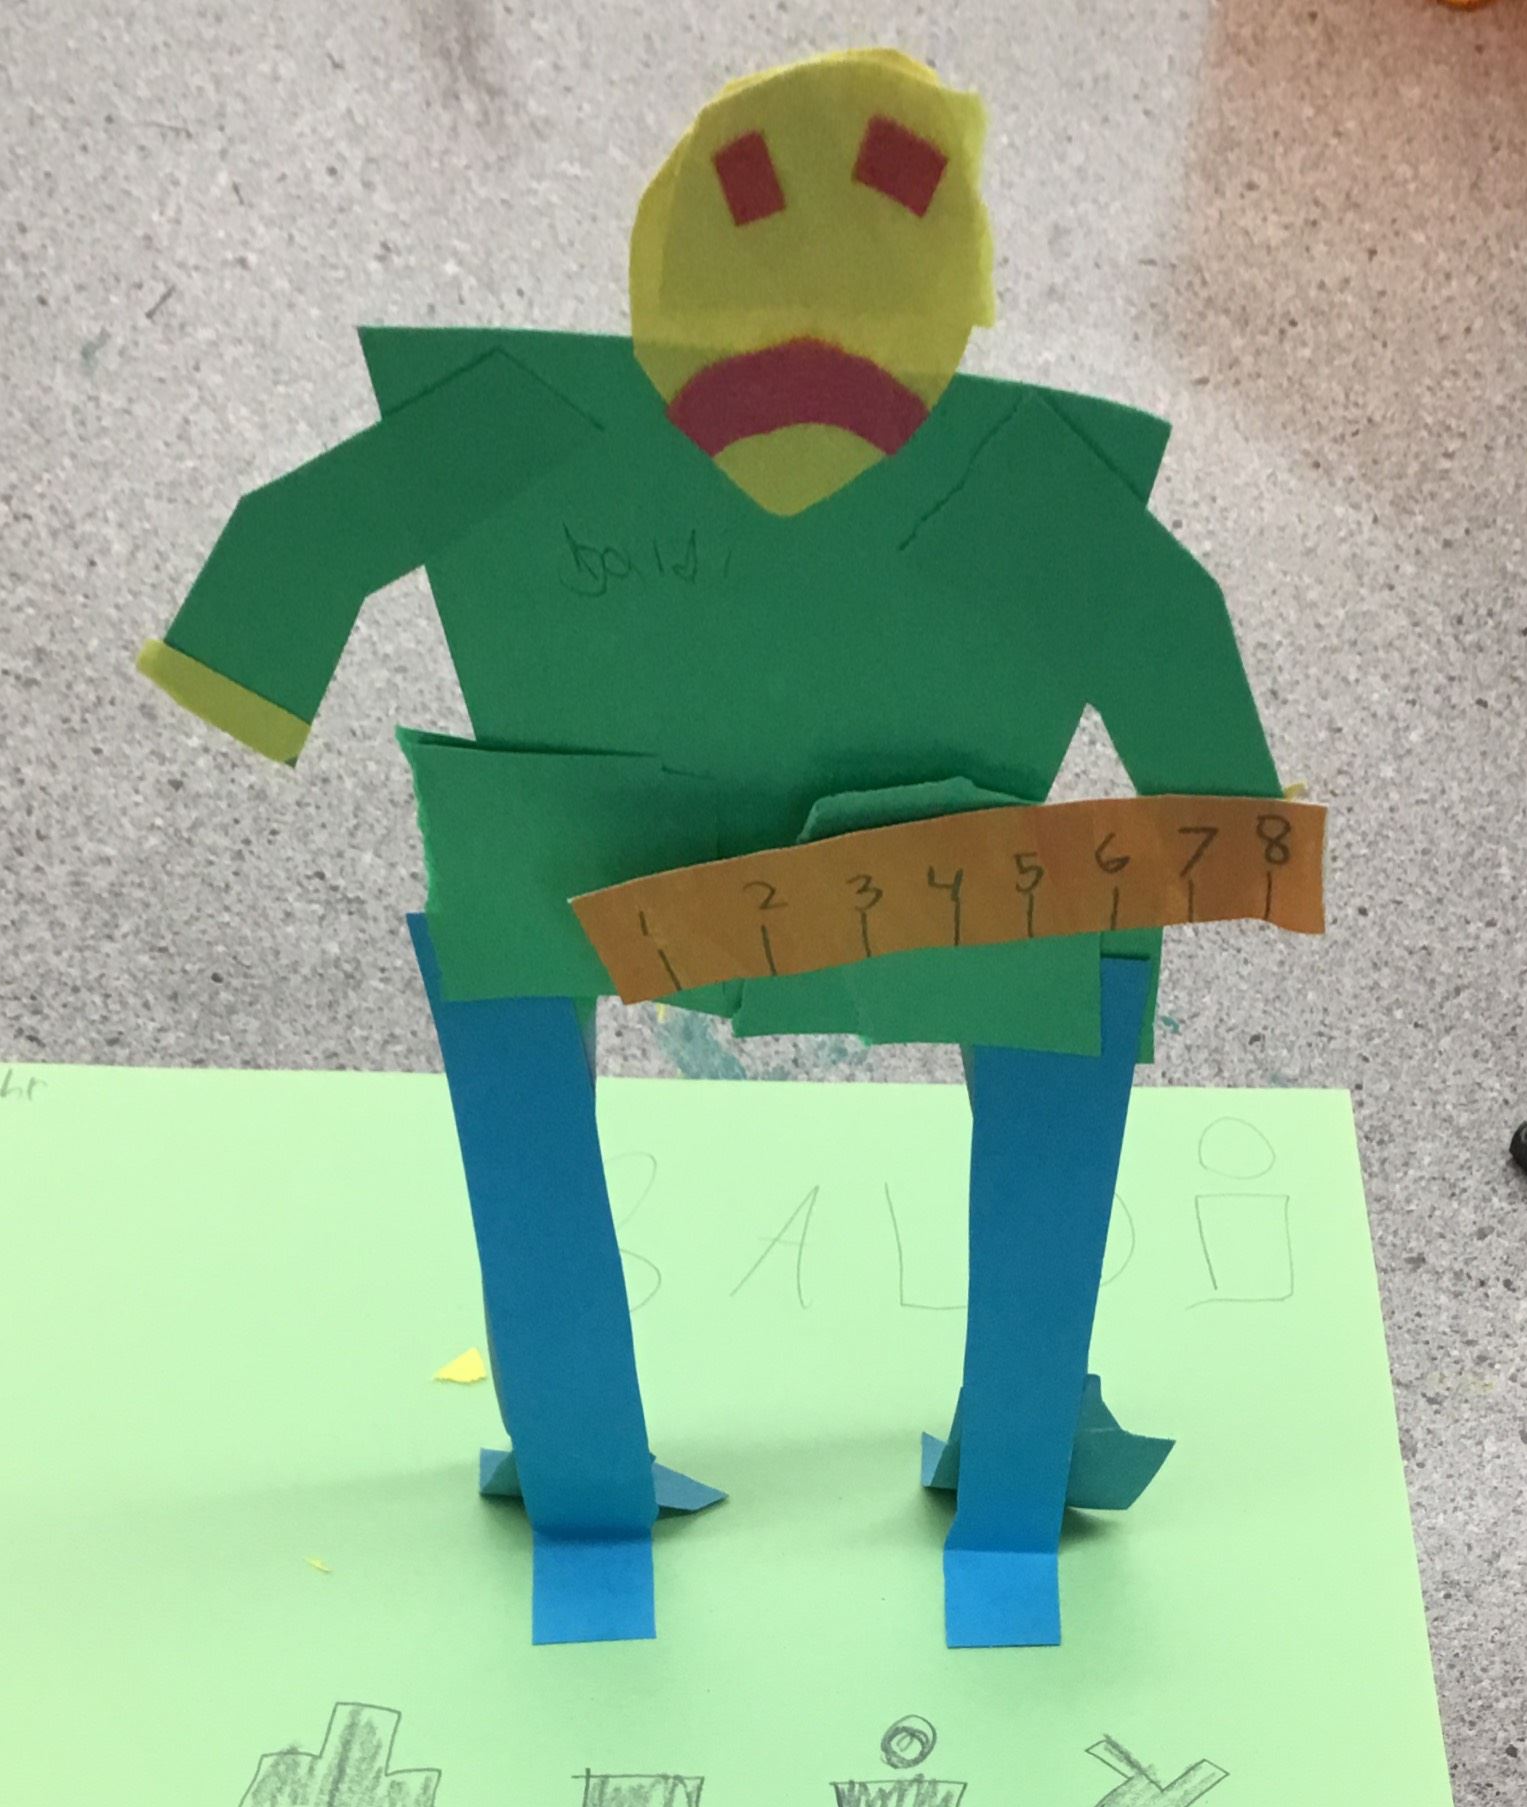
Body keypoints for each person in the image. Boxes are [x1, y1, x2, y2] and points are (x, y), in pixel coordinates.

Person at [138, 48, 1282, 1649]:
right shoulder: (1009, 477)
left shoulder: (545, 425)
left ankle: (698, 1495)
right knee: (1053, 1012)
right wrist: (1225, 833)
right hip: (785, 875)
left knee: (1028, 1012)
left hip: (682, 872)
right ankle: (955, 1499)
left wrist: (250, 670)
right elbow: (1185, 679)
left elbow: (287, 553)